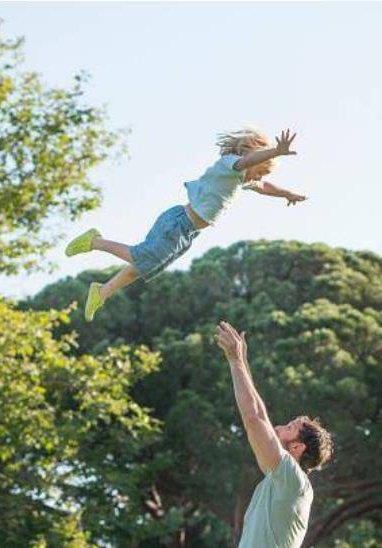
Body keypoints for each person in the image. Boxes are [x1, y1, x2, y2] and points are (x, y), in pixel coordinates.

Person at [65, 127, 306, 321]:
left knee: (148, 266)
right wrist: (275, 152)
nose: (260, 178)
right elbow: (249, 161)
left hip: (187, 232)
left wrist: (287, 194)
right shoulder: (230, 164)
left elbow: (263, 187)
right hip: (178, 223)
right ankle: (95, 241)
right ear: (251, 158)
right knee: (144, 258)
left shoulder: (242, 178)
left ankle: (102, 292)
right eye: (261, 171)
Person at [215, 321, 333, 548]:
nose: (279, 426)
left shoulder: (293, 481)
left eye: (290, 427)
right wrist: (242, 365)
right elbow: (259, 414)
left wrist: (236, 361)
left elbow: (254, 420)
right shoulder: (281, 478)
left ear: (298, 447)